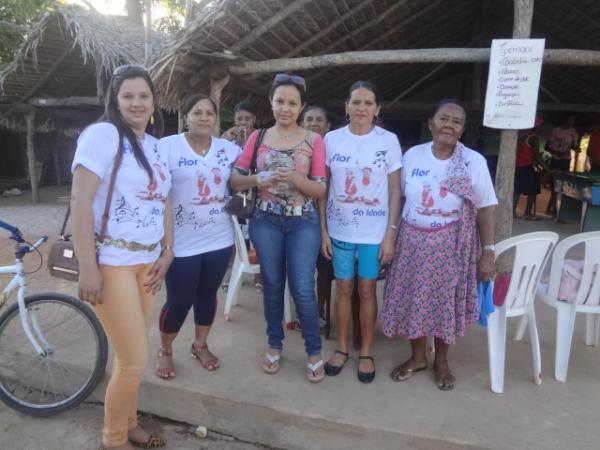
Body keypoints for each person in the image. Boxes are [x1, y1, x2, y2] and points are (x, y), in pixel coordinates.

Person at [71, 65, 172, 450]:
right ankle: (113, 440)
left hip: (147, 263)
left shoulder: (155, 145)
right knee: (134, 359)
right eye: (128, 95)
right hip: (110, 262)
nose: (136, 102)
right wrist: (87, 267)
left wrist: (168, 252)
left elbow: (163, 200)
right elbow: (80, 199)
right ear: (115, 100)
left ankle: (128, 422)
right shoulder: (102, 135)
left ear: (153, 101)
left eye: (143, 96)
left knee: (131, 355)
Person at [379, 99, 497, 391]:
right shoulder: (413, 156)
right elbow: (398, 196)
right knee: (413, 299)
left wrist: (488, 253)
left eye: (456, 121)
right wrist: (390, 235)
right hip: (412, 242)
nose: (449, 125)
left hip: (451, 245)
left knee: (445, 303)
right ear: (430, 123)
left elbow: (485, 209)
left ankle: (441, 360)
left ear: (462, 129)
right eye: (443, 119)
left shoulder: (473, 162)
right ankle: (418, 357)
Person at [229, 73, 327, 383]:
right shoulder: (257, 137)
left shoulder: (314, 140)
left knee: (302, 288)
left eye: (292, 103)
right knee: (271, 284)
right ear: (271, 103)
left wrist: (295, 179)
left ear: (302, 106)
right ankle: (274, 344)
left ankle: (313, 350)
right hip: (265, 221)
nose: (285, 108)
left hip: (303, 222)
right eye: (280, 101)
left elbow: (321, 189)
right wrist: (257, 180)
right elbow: (234, 179)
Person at [320, 81, 402, 383]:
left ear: (377, 110)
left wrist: (390, 233)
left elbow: (395, 191)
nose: (362, 108)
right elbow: (323, 189)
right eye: (356, 102)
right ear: (346, 107)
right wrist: (324, 231)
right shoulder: (331, 140)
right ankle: (341, 348)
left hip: (374, 232)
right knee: (343, 288)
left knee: (367, 290)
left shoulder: (389, 141)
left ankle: (365, 351)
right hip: (340, 230)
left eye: (368, 103)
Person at [155, 94, 241, 380]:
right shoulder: (166, 147)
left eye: (209, 113)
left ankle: (200, 345)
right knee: (179, 299)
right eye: (197, 112)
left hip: (219, 237)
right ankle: (165, 349)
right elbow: (157, 194)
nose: (204, 118)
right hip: (180, 242)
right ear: (186, 116)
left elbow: (240, 182)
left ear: (216, 118)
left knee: (207, 295)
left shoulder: (229, 150)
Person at [514, 117, 548, 220]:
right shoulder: (534, 138)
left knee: (517, 190)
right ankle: (528, 213)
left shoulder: (521, 135)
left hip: (518, 165)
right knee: (533, 190)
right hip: (528, 166)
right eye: (541, 125)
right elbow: (537, 156)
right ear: (537, 126)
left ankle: (512, 212)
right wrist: (547, 169)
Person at [545, 115, 579, 217]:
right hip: (556, 160)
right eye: (569, 120)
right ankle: (553, 209)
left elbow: (573, 147)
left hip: (566, 161)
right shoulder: (556, 130)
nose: (571, 123)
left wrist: (575, 147)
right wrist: (557, 153)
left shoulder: (573, 132)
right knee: (554, 186)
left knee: (562, 187)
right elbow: (546, 147)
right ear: (564, 120)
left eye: (573, 121)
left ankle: (555, 210)